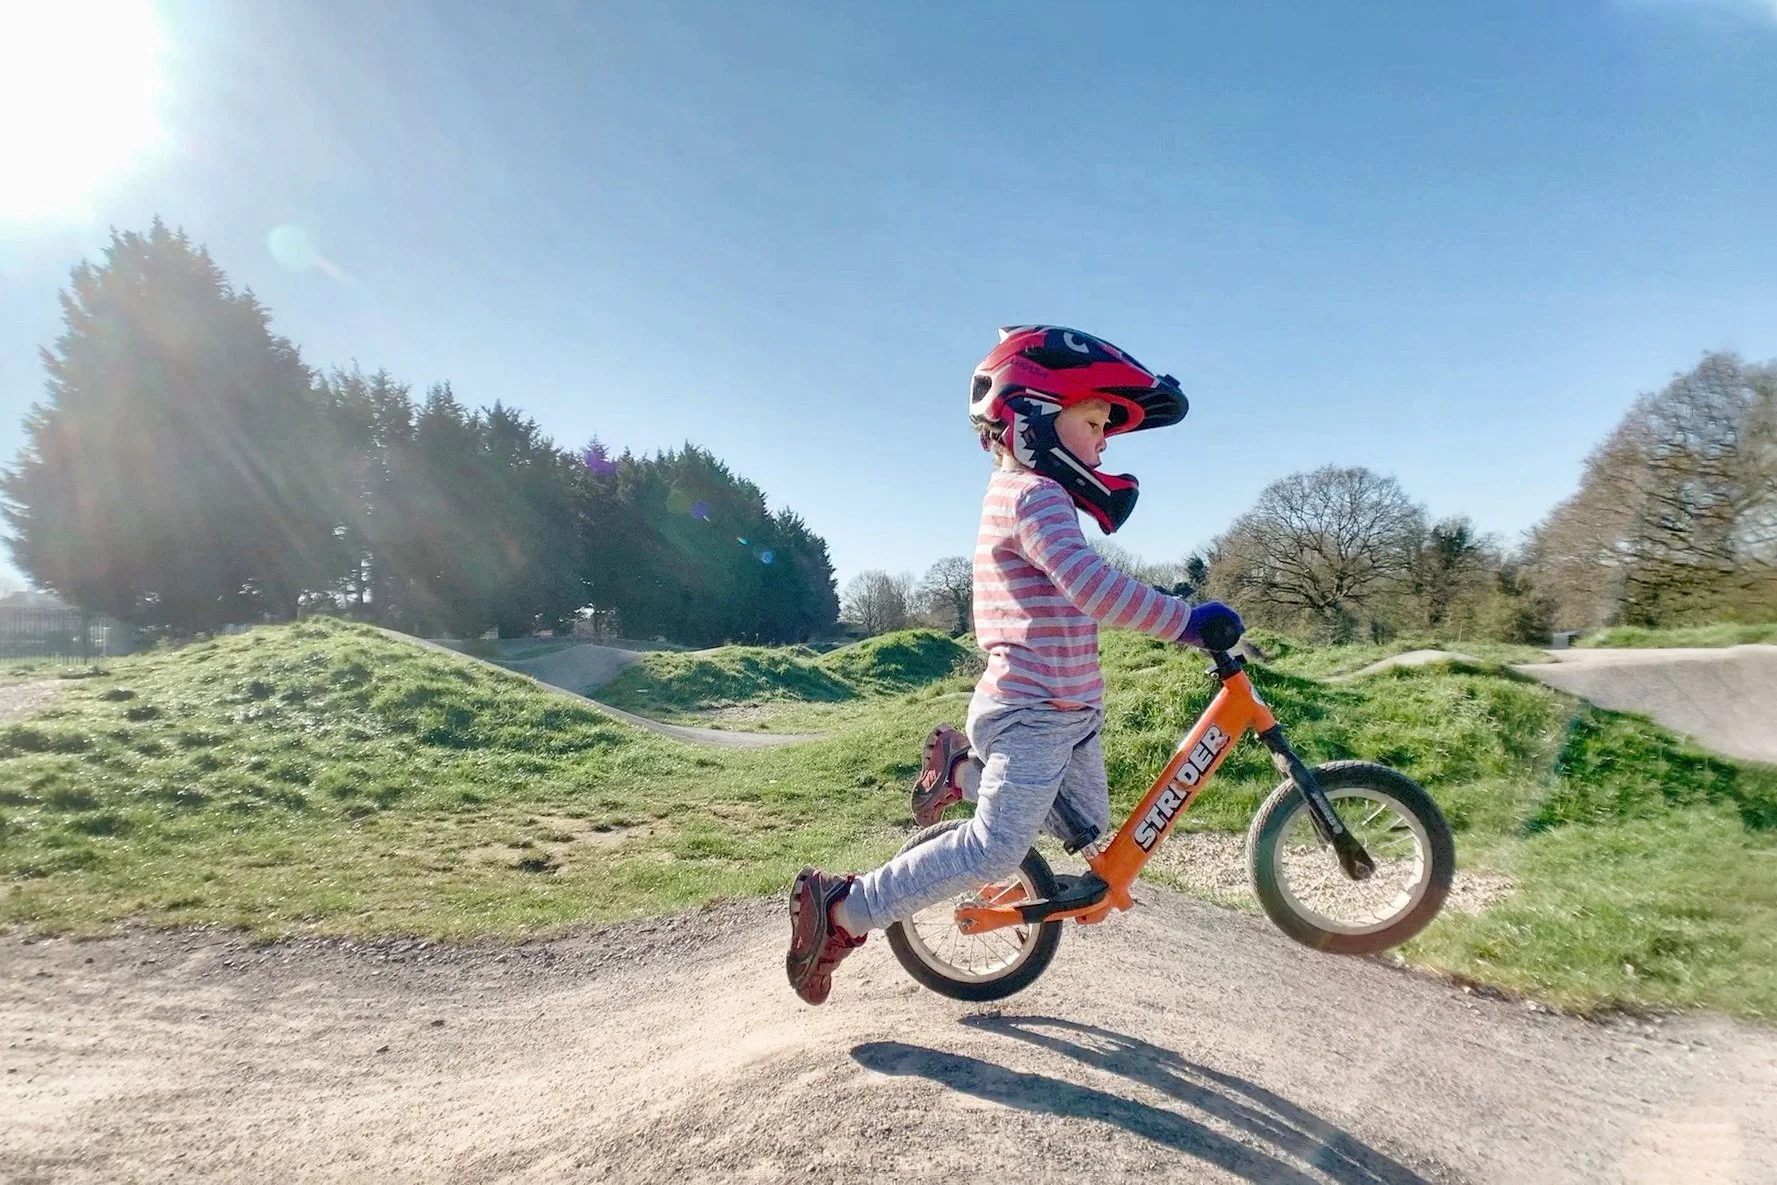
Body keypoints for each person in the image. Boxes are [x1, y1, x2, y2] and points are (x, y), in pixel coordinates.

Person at [785, 326, 1243, 1005]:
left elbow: (1075, 586)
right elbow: (1087, 583)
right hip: (1032, 710)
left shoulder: (1037, 495)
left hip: (1070, 708)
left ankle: (959, 769)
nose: (1103, 440)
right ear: (1033, 415)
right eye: (1092, 420)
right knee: (996, 851)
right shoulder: (1030, 495)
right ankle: (844, 907)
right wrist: (1183, 620)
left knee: (1086, 828)